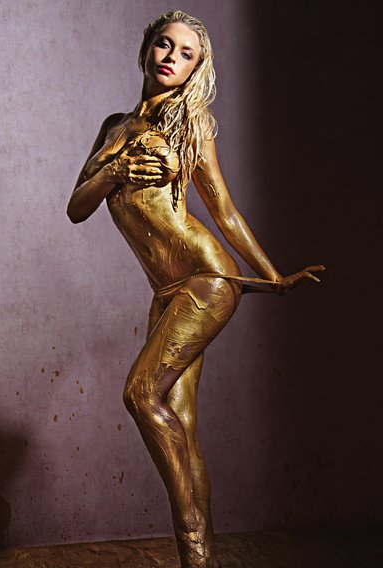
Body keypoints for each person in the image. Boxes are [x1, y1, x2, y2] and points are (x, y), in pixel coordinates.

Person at [67, 11, 324, 568]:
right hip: (165, 291)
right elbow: (76, 207)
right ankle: (199, 561)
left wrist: (272, 275)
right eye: (165, 44)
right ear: (146, 48)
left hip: (206, 279)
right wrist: (116, 170)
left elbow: (223, 210)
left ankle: (196, 546)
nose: (171, 57)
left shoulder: (191, 121)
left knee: (141, 394)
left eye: (187, 54)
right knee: (179, 427)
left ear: (195, 70)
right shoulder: (114, 127)